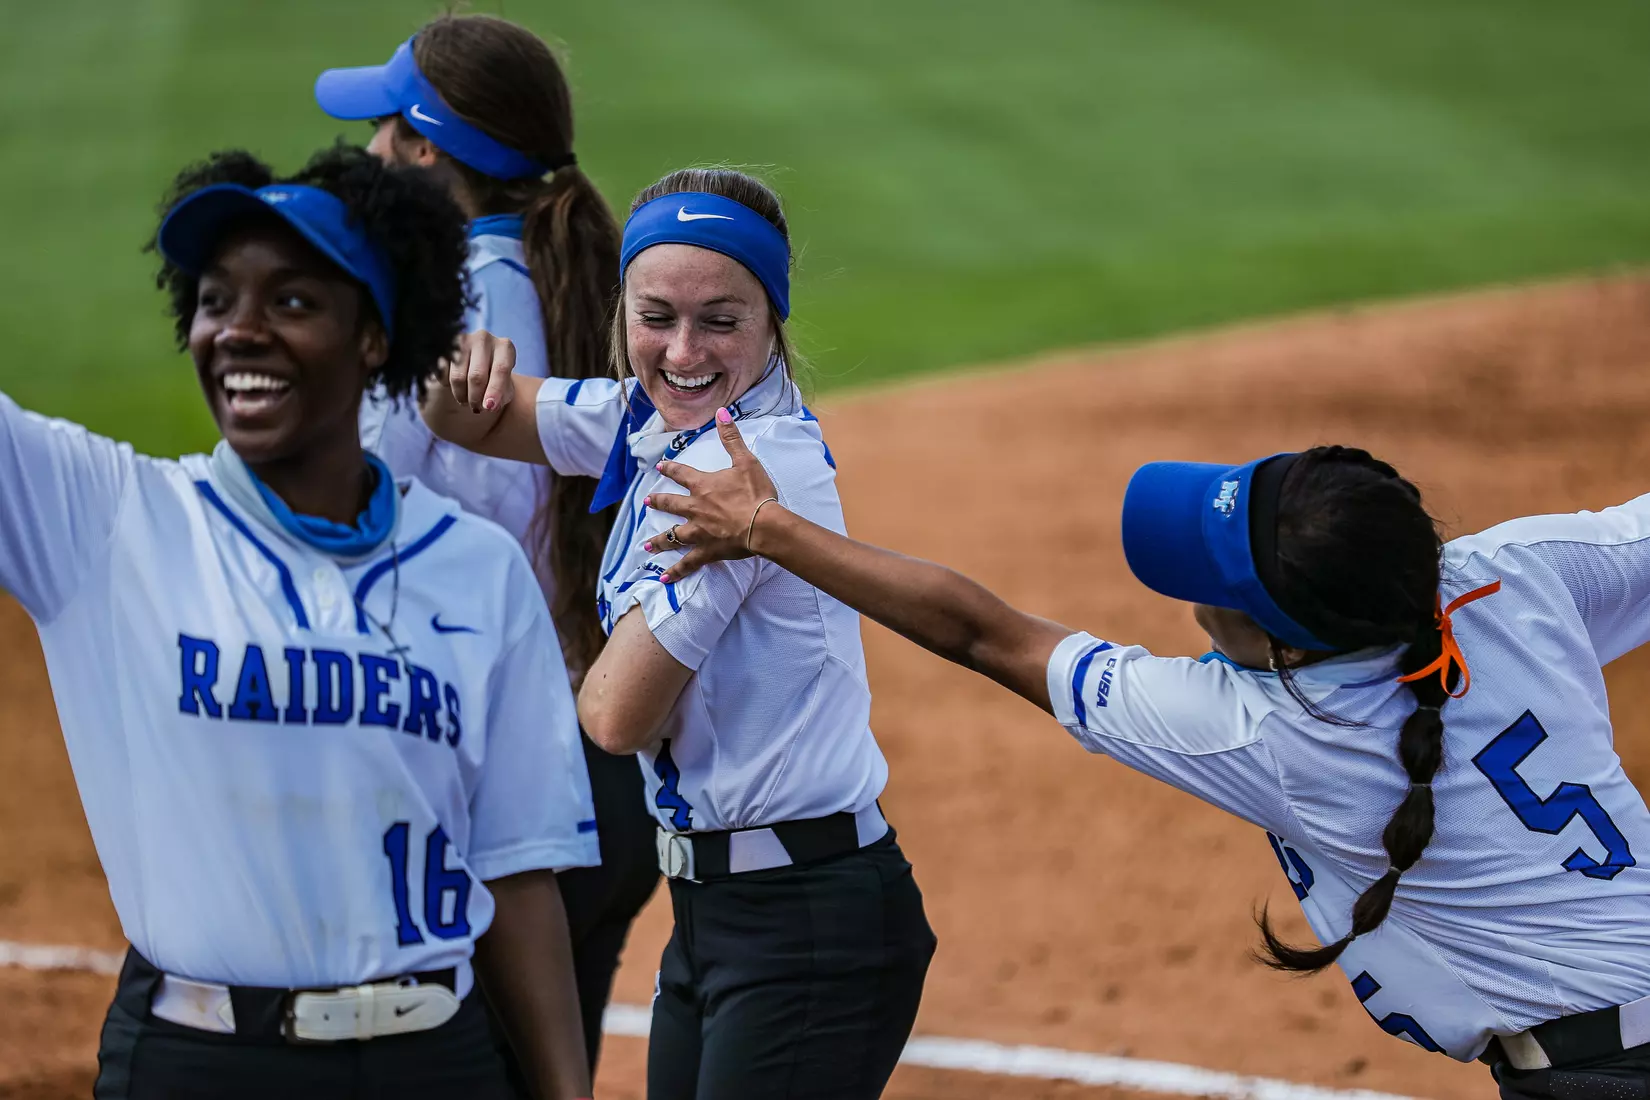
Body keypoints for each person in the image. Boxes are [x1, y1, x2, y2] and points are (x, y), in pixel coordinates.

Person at [644, 424, 1650, 1099]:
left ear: (1285, 645)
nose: (1190, 606)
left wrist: (768, 528)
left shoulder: (1271, 731)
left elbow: (985, 634)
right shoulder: (1507, 573)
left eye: (1209, 591)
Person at [2, 145, 596, 1100]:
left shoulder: (477, 570)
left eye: (290, 301)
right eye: (215, 300)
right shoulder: (112, 521)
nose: (238, 331)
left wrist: (567, 1093)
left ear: (374, 337)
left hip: (431, 1063)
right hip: (202, 1066)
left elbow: (520, 875)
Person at [422, 167, 937, 1099]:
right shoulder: (648, 420)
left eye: (721, 320)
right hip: (718, 910)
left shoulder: (744, 478)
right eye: (655, 316)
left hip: (809, 922)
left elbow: (614, 717)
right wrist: (458, 360)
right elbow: (461, 416)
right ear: (622, 313)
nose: (683, 349)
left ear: (773, 320)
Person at [312, 14, 659, 1071]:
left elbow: (349, 529)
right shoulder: (590, 281)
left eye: (385, 128)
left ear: (424, 150)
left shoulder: (455, 322)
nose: (368, 151)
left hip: (502, 799)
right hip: (613, 777)